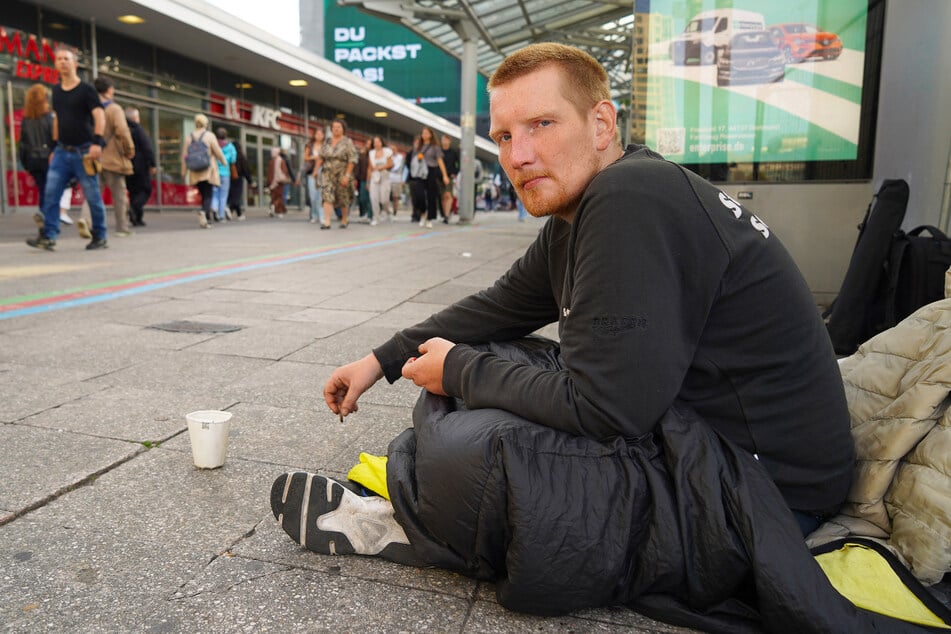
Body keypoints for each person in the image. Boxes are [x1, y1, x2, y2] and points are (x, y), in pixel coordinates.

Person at [270, 43, 857, 626]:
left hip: (758, 490)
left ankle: (417, 524)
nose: (519, 155)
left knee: (471, 447)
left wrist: (458, 372)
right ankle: (448, 505)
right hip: (688, 427)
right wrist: (381, 360)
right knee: (488, 361)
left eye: (542, 125)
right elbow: (499, 307)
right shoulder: (594, 202)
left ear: (601, 123)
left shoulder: (631, 197)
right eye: (503, 136)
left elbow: (608, 408)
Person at [27, 46, 109, 251]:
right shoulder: (56, 90)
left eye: (67, 58)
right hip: (62, 152)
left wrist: (97, 143)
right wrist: (54, 147)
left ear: (74, 63)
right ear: (56, 64)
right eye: (59, 59)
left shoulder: (87, 89)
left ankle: (100, 235)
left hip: (84, 152)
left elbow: (100, 116)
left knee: (92, 196)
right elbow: (57, 120)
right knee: (51, 194)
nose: (63, 61)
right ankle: (49, 236)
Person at [78, 76, 134, 238]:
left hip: (93, 156)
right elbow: (123, 130)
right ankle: (122, 227)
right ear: (109, 90)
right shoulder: (114, 109)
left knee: (93, 192)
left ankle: (85, 219)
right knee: (119, 194)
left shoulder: (89, 108)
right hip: (112, 158)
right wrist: (129, 149)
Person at [181, 113, 225, 229]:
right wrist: (224, 162)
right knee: (208, 195)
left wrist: (183, 171)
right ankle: (204, 212)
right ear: (205, 123)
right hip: (208, 170)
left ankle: (207, 218)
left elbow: (185, 156)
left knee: (203, 194)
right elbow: (218, 151)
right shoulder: (209, 136)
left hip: (195, 171)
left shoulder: (189, 137)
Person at [19, 84, 54, 221]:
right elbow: (55, 138)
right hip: (48, 158)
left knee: (42, 189)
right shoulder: (49, 117)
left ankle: (43, 214)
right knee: (50, 190)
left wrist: (25, 163)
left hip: (33, 160)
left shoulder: (26, 120)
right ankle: (46, 215)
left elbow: (23, 144)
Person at [318, 119, 357, 229]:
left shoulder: (347, 142)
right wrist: (315, 171)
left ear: (343, 129)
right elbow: (321, 157)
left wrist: (347, 175)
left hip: (342, 173)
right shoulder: (327, 142)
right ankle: (327, 221)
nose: (336, 129)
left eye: (338, 127)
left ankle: (344, 219)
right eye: (334, 127)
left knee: (342, 197)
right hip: (327, 173)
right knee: (327, 195)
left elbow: (352, 160)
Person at [124, 107, 155, 228]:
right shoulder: (138, 129)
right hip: (141, 165)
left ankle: (137, 218)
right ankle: (135, 208)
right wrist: (152, 164)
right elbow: (147, 147)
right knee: (145, 190)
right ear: (136, 118)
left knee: (133, 191)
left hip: (127, 164)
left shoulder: (123, 130)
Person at [417, 126, 449, 229]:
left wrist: (445, 175)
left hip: (431, 171)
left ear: (430, 135)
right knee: (420, 195)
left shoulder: (435, 147)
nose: (424, 135)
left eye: (426, 133)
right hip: (420, 172)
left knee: (431, 196)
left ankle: (430, 218)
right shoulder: (419, 146)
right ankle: (423, 214)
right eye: (423, 133)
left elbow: (440, 161)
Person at [366, 135, 394, 225]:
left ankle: (388, 211)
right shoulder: (371, 153)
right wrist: (368, 181)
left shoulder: (387, 151)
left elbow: (390, 164)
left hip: (385, 176)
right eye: (375, 142)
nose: (376, 144)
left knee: (384, 199)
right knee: (373, 198)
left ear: (382, 142)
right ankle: (376, 217)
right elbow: (369, 168)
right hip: (375, 177)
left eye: (378, 142)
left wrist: (381, 167)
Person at [212, 128, 237, 222]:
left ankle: (214, 207)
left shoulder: (214, 145)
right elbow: (233, 159)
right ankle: (221, 215)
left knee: (214, 193)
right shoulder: (230, 146)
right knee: (223, 195)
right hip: (225, 173)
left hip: (214, 172)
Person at [304, 126, 325, 224]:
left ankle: (321, 216)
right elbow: (305, 157)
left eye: (321, 134)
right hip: (312, 172)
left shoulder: (326, 146)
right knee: (313, 196)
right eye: (317, 134)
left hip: (323, 172)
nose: (319, 136)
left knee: (320, 195)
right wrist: (314, 157)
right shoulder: (310, 145)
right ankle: (313, 214)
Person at [228, 141, 252, 221]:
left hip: (229, 177)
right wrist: (249, 180)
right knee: (236, 197)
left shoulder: (229, 156)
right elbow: (245, 170)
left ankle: (234, 213)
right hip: (238, 178)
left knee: (232, 196)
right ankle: (235, 212)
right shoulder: (241, 156)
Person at [407, 136, 428, 223]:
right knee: (414, 197)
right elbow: (407, 164)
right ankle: (415, 213)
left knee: (420, 196)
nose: (416, 143)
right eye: (415, 141)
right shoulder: (410, 153)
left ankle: (420, 212)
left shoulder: (423, 153)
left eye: (418, 142)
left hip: (421, 178)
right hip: (412, 178)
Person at [439, 134, 459, 223]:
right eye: (443, 140)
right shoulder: (439, 151)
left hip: (449, 176)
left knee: (448, 195)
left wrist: (455, 173)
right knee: (443, 196)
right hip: (439, 176)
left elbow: (458, 163)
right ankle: (445, 214)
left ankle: (446, 215)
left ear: (449, 141)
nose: (445, 141)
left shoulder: (453, 152)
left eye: (446, 140)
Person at [266, 147, 290, 216]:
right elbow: (285, 171)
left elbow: (268, 173)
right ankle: (275, 208)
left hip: (272, 182)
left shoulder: (271, 161)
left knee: (273, 196)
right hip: (279, 181)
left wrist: (268, 183)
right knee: (279, 196)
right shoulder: (281, 160)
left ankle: (276, 209)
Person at [388, 147, 405, 214]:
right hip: (388, 178)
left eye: (394, 149)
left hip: (397, 179)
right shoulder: (388, 157)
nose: (393, 151)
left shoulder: (400, 157)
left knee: (395, 196)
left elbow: (402, 168)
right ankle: (388, 210)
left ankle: (395, 210)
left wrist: (403, 180)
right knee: (386, 196)